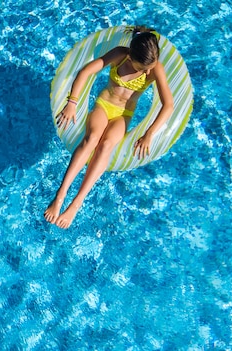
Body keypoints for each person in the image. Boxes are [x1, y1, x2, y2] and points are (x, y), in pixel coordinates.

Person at [44, 27, 174, 229]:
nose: (148, 72)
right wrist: (72, 103)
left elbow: (169, 105)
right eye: (143, 68)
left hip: (123, 115)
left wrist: (149, 135)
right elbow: (86, 71)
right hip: (104, 106)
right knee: (92, 137)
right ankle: (60, 196)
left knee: (105, 145)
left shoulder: (155, 68)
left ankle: (76, 203)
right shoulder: (121, 55)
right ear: (131, 57)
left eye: (150, 67)